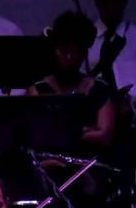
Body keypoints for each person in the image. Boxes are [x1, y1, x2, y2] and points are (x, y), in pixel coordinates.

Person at [28, 11, 115, 151]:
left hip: (90, 162)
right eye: (64, 50)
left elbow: (104, 136)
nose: (69, 57)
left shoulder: (99, 89)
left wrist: (58, 131)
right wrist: (83, 131)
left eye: (75, 51)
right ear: (54, 49)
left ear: (84, 53)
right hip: (47, 161)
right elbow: (34, 134)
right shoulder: (38, 90)